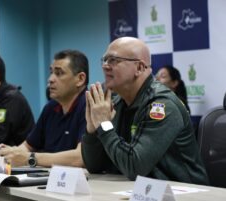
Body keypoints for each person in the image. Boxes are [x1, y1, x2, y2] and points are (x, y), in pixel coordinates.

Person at [82, 37, 208, 185]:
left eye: (113, 60)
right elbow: (94, 166)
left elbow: (135, 167)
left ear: (139, 68)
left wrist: (104, 124)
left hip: (184, 197)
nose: (105, 66)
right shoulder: (116, 103)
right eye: (104, 60)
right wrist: (92, 131)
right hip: (141, 193)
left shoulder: (162, 105)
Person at [0, 50, 88, 167]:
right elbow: (27, 146)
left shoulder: (90, 105)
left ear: (80, 79)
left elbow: (80, 157)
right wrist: (12, 153)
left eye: (59, 73)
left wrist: (30, 158)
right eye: (51, 72)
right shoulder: (51, 107)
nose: (50, 79)